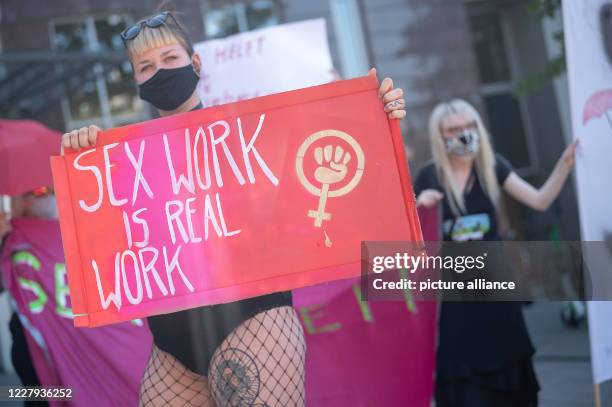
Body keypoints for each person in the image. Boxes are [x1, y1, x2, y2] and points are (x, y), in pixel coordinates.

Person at [60, 10, 407, 406]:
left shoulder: (249, 132)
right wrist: (83, 156)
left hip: (251, 319)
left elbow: (331, 155)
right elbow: (104, 239)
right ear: (136, 81)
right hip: (172, 340)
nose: (159, 72)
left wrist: (376, 115)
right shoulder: (120, 161)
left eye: (170, 59)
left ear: (194, 63)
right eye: (145, 66)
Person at [414, 99, 577, 407]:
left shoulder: (492, 166)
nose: (464, 134)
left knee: (511, 380)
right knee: (464, 385)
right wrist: (420, 204)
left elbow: (539, 200)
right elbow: (411, 239)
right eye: (454, 129)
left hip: (495, 294)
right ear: (440, 136)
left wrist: (564, 164)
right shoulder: (429, 177)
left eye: (470, 126)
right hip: (454, 300)